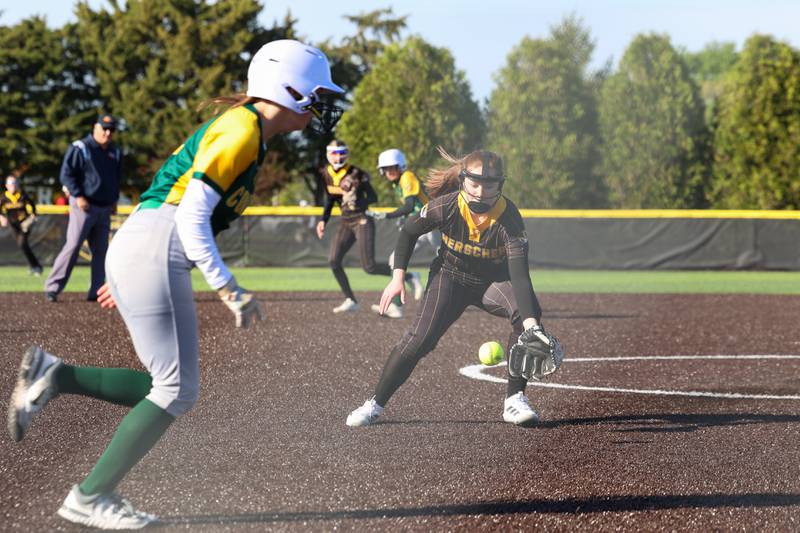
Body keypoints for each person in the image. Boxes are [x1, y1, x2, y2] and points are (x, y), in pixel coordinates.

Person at [7, 39, 344, 529]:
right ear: (287, 86)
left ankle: (55, 376)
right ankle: (90, 495)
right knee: (175, 390)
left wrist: (129, 270)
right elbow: (190, 216)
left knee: (168, 387)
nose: (320, 105)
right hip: (157, 244)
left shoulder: (247, 128)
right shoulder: (244, 130)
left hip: (147, 245)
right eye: (316, 92)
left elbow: (173, 209)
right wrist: (229, 288)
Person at [346, 148, 558, 428]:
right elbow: (409, 232)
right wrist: (398, 277)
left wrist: (531, 326)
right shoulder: (445, 206)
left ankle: (514, 400)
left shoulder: (510, 219)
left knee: (526, 314)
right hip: (450, 277)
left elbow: (520, 278)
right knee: (419, 341)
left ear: (501, 185)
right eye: (474, 183)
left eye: (489, 184)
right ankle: (374, 404)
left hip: (492, 282)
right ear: (463, 181)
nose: (481, 192)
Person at [315, 140, 422, 315]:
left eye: (341, 152)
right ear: (328, 153)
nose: (338, 156)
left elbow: (373, 196)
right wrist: (323, 220)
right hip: (345, 221)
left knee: (369, 267)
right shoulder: (325, 173)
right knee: (333, 261)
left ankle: (409, 277)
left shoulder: (357, 173)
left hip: (362, 220)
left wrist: (359, 201)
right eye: (334, 152)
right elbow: (331, 198)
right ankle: (351, 299)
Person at [44, 113, 122, 302]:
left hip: (104, 207)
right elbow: (66, 174)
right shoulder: (81, 147)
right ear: (95, 128)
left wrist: (114, 199)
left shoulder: (115, 151)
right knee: (73, 246)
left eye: (112, 129)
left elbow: (116, 178)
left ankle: (96, 291)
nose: (108, 132)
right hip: (84, 205)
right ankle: (53, 287)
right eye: (105, 128)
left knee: (101, 251)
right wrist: (78, 195)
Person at [368, 149, 439, 318]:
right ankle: (397, 305)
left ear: (400, 166)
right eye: (386, 168)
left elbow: (409, 206)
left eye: (393, 167)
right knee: (395, 260)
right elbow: (412, 208)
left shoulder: (407, 176)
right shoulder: (399, 182)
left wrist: (388, 215)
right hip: (422, 226)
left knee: (451, 261)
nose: (389, 171)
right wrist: (403, 219)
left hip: (434, 224)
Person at [0, 175, 43, 275]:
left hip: (24, 224)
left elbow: (32, 205)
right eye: (11, 184)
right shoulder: (4, 197)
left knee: (22, 244)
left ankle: (36, 266)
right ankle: (35, 266)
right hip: (13, 225)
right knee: (23, 246)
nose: (13, 186)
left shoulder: (22, 195)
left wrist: (33, 215)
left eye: (15, 183)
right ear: (6, 186)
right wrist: (2, 218)